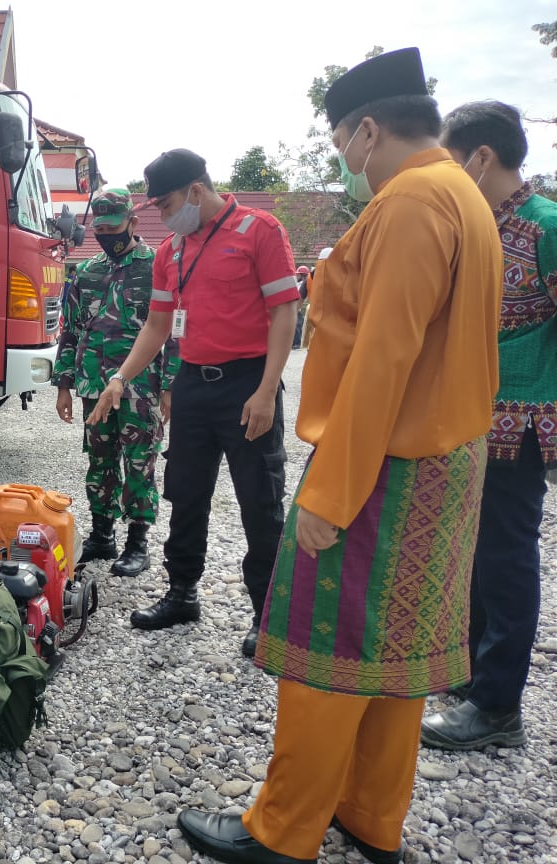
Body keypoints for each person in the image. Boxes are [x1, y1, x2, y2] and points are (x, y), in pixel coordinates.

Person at [173, 48, 502, 864]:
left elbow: (383, 357)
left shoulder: (411, 201)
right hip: (445, 459)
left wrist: (330, 495)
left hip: (381, 462)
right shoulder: (464, 192)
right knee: (396, 652)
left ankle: (284, 832)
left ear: (364, 130)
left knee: (327, 648)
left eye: (339, 143)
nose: (343, 159)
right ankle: (370, 816)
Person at [88, 152, 298, 657]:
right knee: (185, 493)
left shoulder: (259, 230)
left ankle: (267, 616)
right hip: (193, 386)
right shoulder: (172, 251)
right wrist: (120, 377)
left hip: (248, 382)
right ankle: (182, 592)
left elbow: (285, 311)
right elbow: (158, 326)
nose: (161, 213)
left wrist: (268, 390)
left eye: (166, 202)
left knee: (259, 500)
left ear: (197, 191)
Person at [420, 101, 557, 751]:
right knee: (471, 552)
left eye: (450, 159)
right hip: (471, 418)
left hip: (522, 421)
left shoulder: (545, 225)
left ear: (481, 157)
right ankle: (472, 675)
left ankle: (499, 707)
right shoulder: (475, 225)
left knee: (505, 558)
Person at [53, 188, 179, 578]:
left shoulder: (156, 266)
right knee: (100, 460)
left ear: (133, 223)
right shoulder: (88, 272)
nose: (107, 235)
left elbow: (173, 331)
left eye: (114, 227)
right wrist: (63, 385)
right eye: (100, 229)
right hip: (94, 383)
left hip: (142, 385)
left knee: (139, 462)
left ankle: (137, 542)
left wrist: (170, 386)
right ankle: (102, 534)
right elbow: (71, 331)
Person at [292, 266, 309, 349]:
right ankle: (294, 342)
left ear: (303, 275)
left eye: (299, 275)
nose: (297, 276)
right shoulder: (298, 284)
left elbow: (301, 297)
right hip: (294, 308)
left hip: (298, 309)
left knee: (297, 325)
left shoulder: (304, 284)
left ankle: (297, 343)